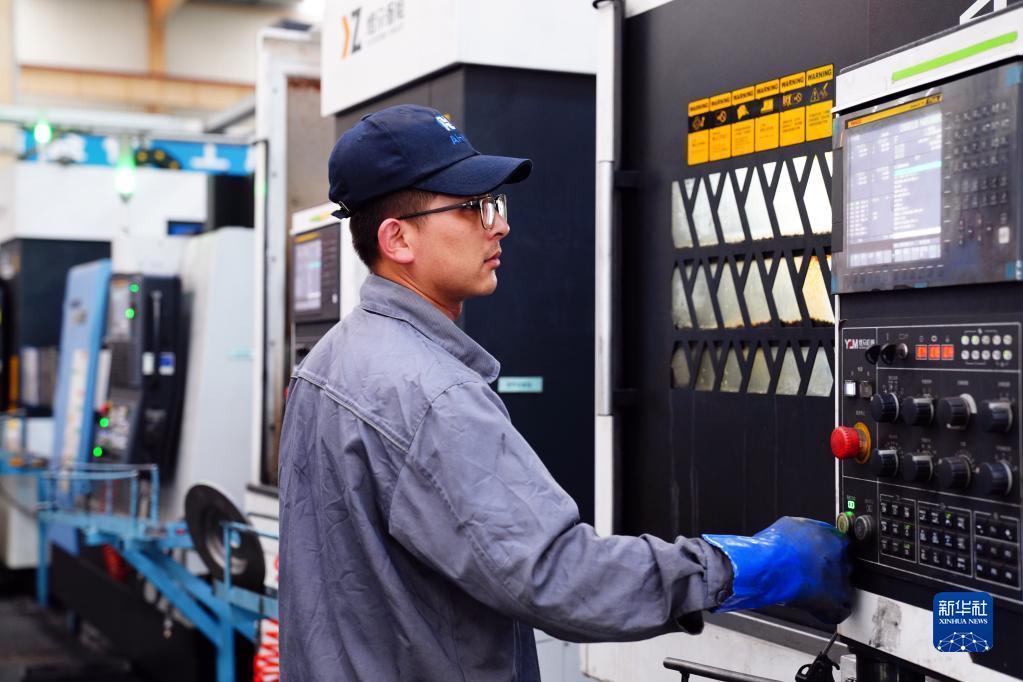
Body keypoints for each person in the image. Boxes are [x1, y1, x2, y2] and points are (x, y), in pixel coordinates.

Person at [277, 104, 851, 682]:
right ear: (397, 238)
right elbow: (557, 576)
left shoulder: (324, 365)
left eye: (495, 204)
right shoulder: (432, 395)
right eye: (473, 207)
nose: (499, 225)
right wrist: (748, 567)